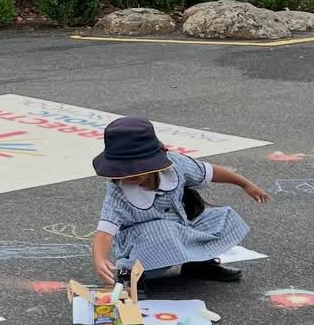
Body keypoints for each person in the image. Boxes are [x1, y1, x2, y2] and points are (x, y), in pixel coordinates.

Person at [90, 115, 269, 286]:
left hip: (180, 230)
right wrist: (100, 259)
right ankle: (131, 277)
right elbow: (105, 232)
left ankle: (198, 266)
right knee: (164, 230)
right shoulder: (118, 192)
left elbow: (209, 172)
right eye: (123, 169)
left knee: (223, 217)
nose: (130, 174)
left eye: (137, 167)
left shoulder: (174, 165)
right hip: (143, 250)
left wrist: (245, 184)